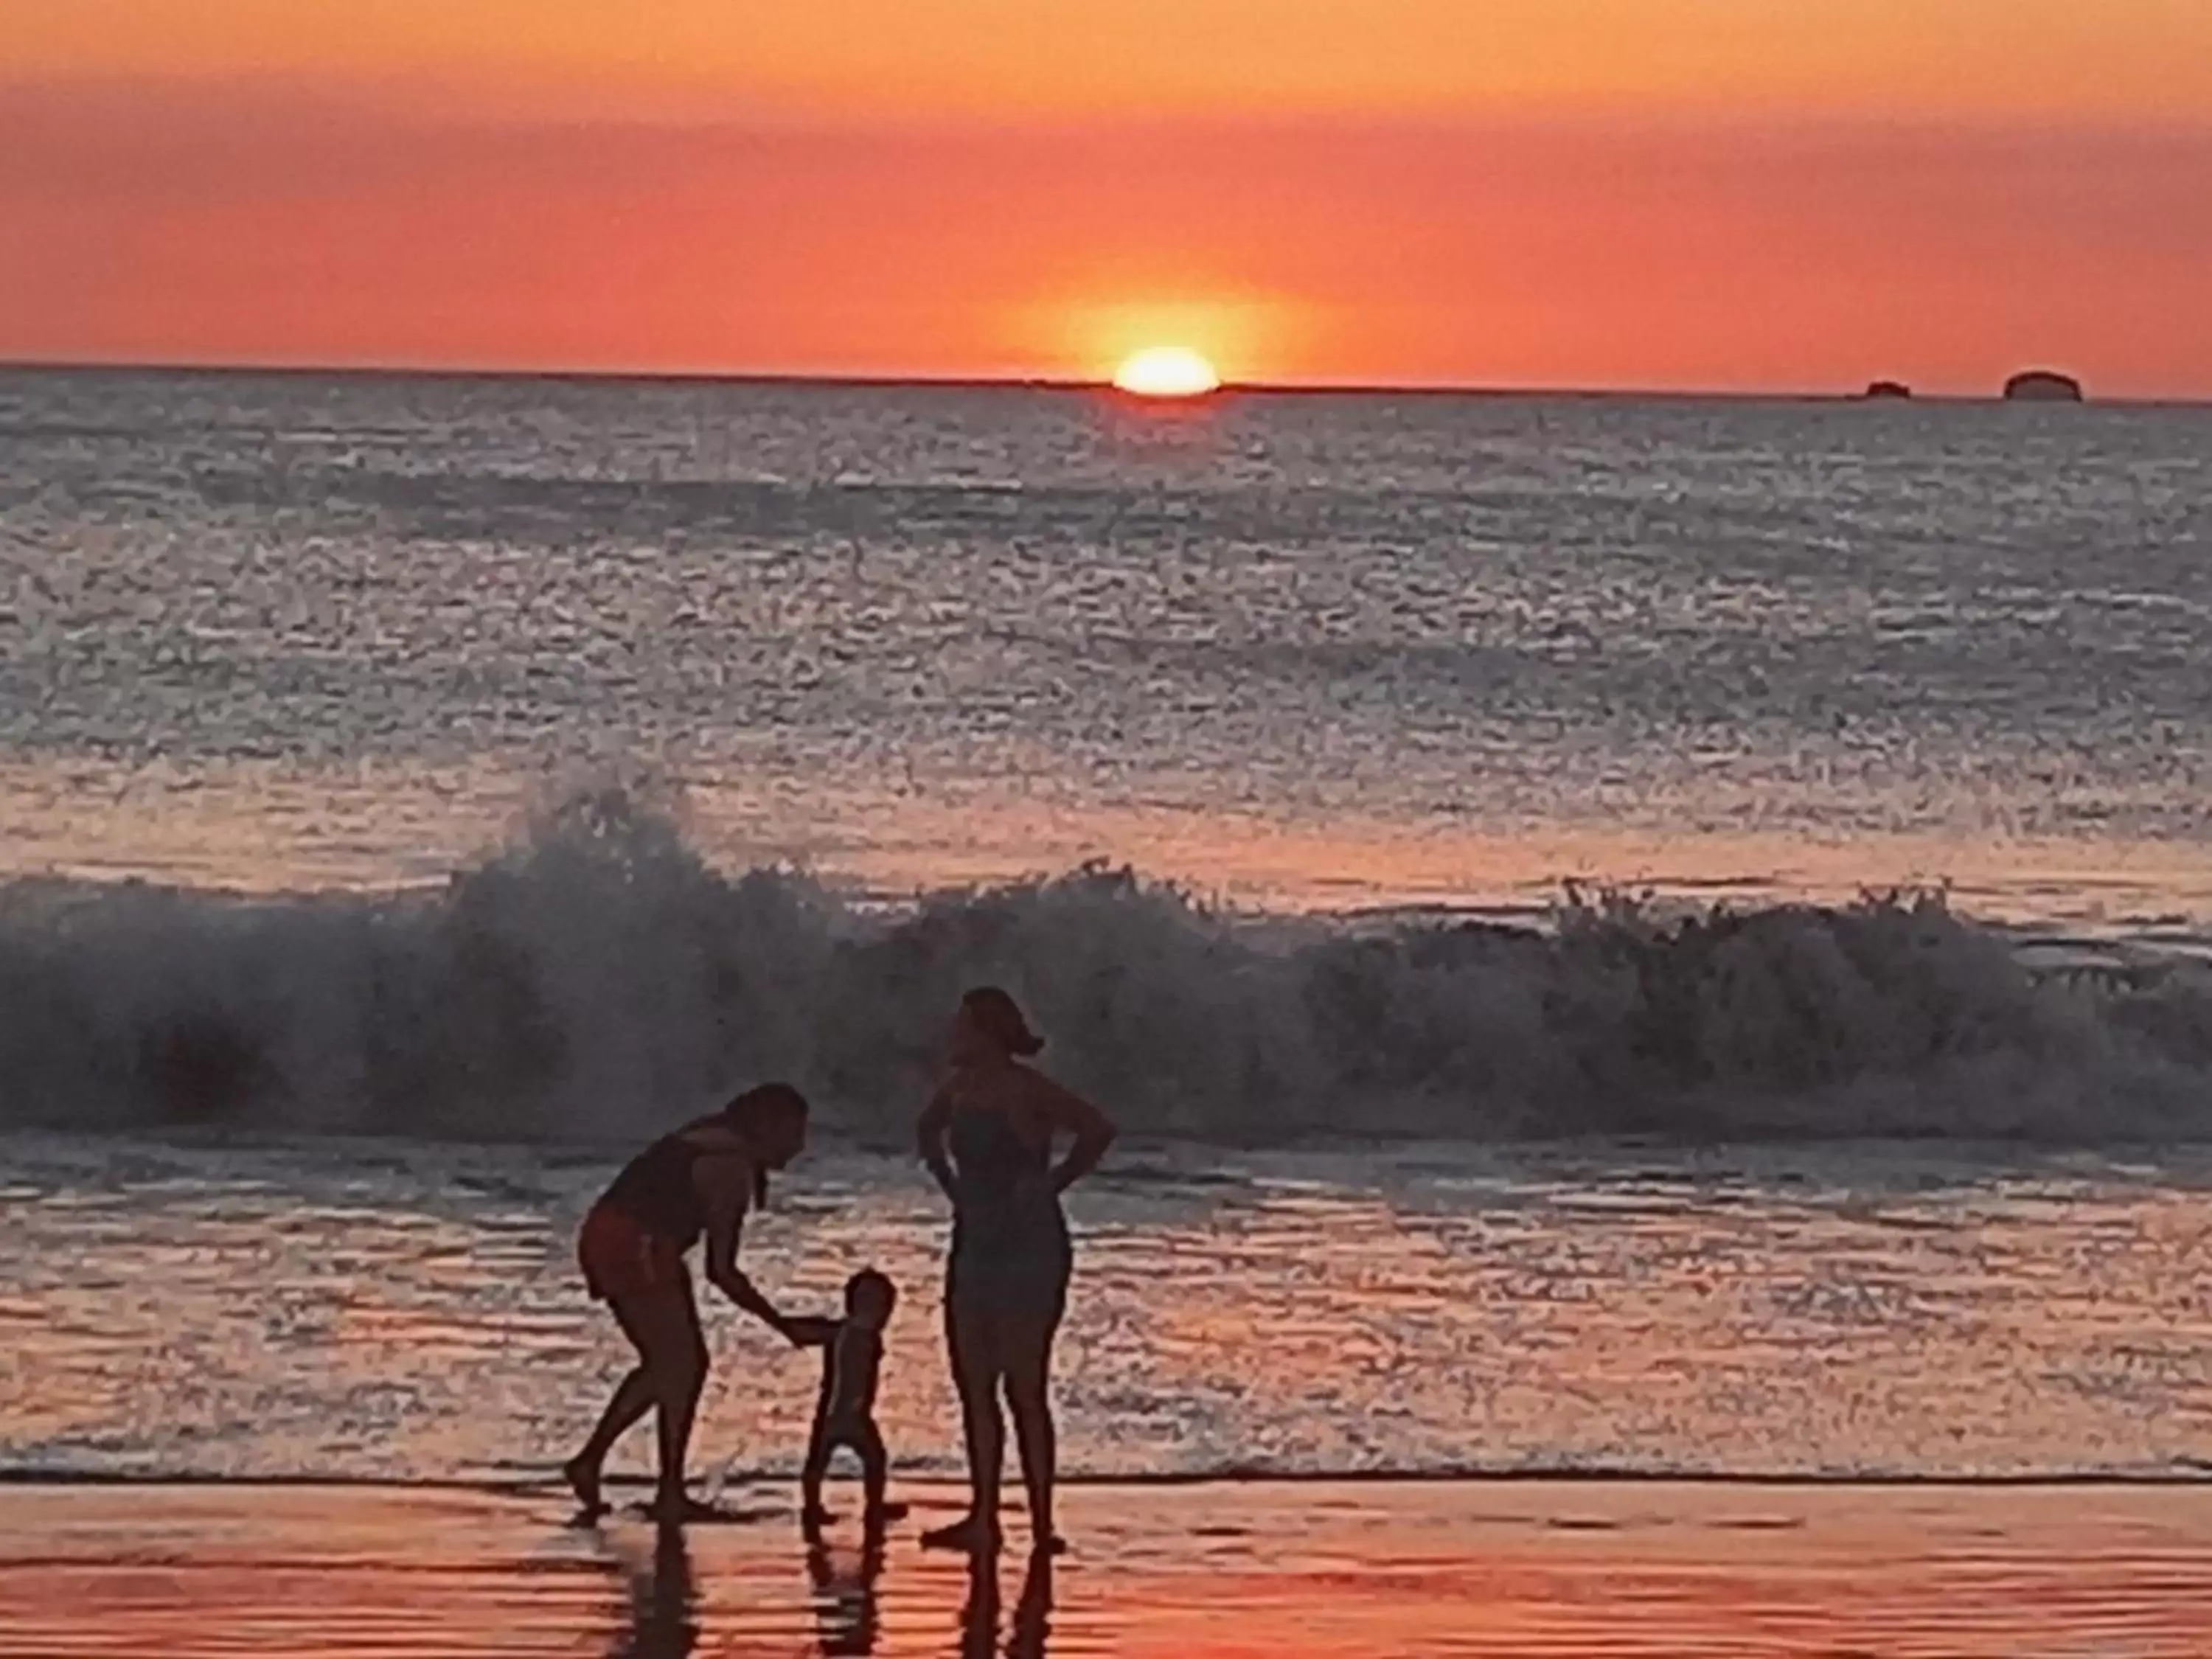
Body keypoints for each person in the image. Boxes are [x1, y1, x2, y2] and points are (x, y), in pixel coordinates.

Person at [917, 987, 1116, 1556]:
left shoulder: (1027, 1089)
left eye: (963, 1025)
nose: (954, 1033)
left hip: (1030, 1244)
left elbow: (1098, 1128)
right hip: (975, 1241)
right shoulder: (956, 1089)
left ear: (987, 1031)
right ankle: (983, 1516)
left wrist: (1054, 1183)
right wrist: (949, 1186)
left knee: (1024, 1387)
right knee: (974, 1385)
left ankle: (1041, 1521)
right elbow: (925, 1132)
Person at [565, 1082, 810, 1525]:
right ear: (766, 1125)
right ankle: (668, 1493)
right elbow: (723, 1271)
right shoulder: (729, 1167)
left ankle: (594, 1462)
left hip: (609, 1234)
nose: (800, 1146)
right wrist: (785, 1325)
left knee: (669, 1364)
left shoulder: (713, 1137)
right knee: (681, 1364)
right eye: (794, 1132)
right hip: (633, 1242)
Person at [789, 1267, 907, 1534]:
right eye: (878, 1307)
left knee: (820, 1461)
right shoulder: (855, 1336)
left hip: (834, 1413)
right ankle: (871, 1508)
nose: (883, 1314)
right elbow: (850, 1372)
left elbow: (814, 1331)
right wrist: (850, 1405)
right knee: (873, 1458)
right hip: (848, 1412)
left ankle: (813, 1507)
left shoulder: (847, 1332)